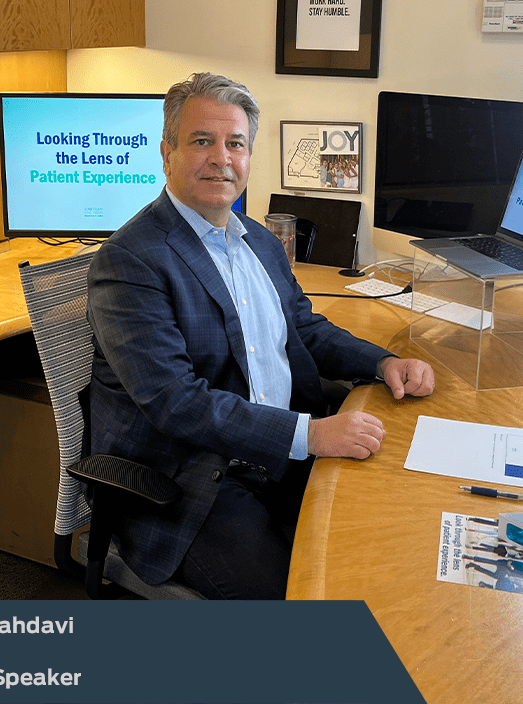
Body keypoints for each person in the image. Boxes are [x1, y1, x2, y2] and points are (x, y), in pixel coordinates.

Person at [86, 72, 435, 599]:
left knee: (381, 542)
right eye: (202, 141)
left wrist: (382, 362)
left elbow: (305, 329)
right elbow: (175, 403)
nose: (220, 158)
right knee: (299, 602)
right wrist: (310, 435)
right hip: (190, 480)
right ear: (167, 152)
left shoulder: (260, 243)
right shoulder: (131, 260)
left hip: (276, 452)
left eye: (235, 144)